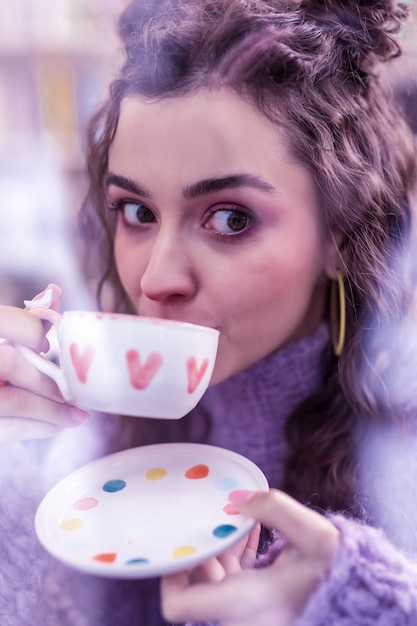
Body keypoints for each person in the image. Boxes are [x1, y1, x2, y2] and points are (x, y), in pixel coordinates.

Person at [1, 0, 417, 624]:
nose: (156, 278)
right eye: (137, 212)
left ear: (340, 232)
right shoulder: (83, 458)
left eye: (230, 218)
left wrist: (364, 605)